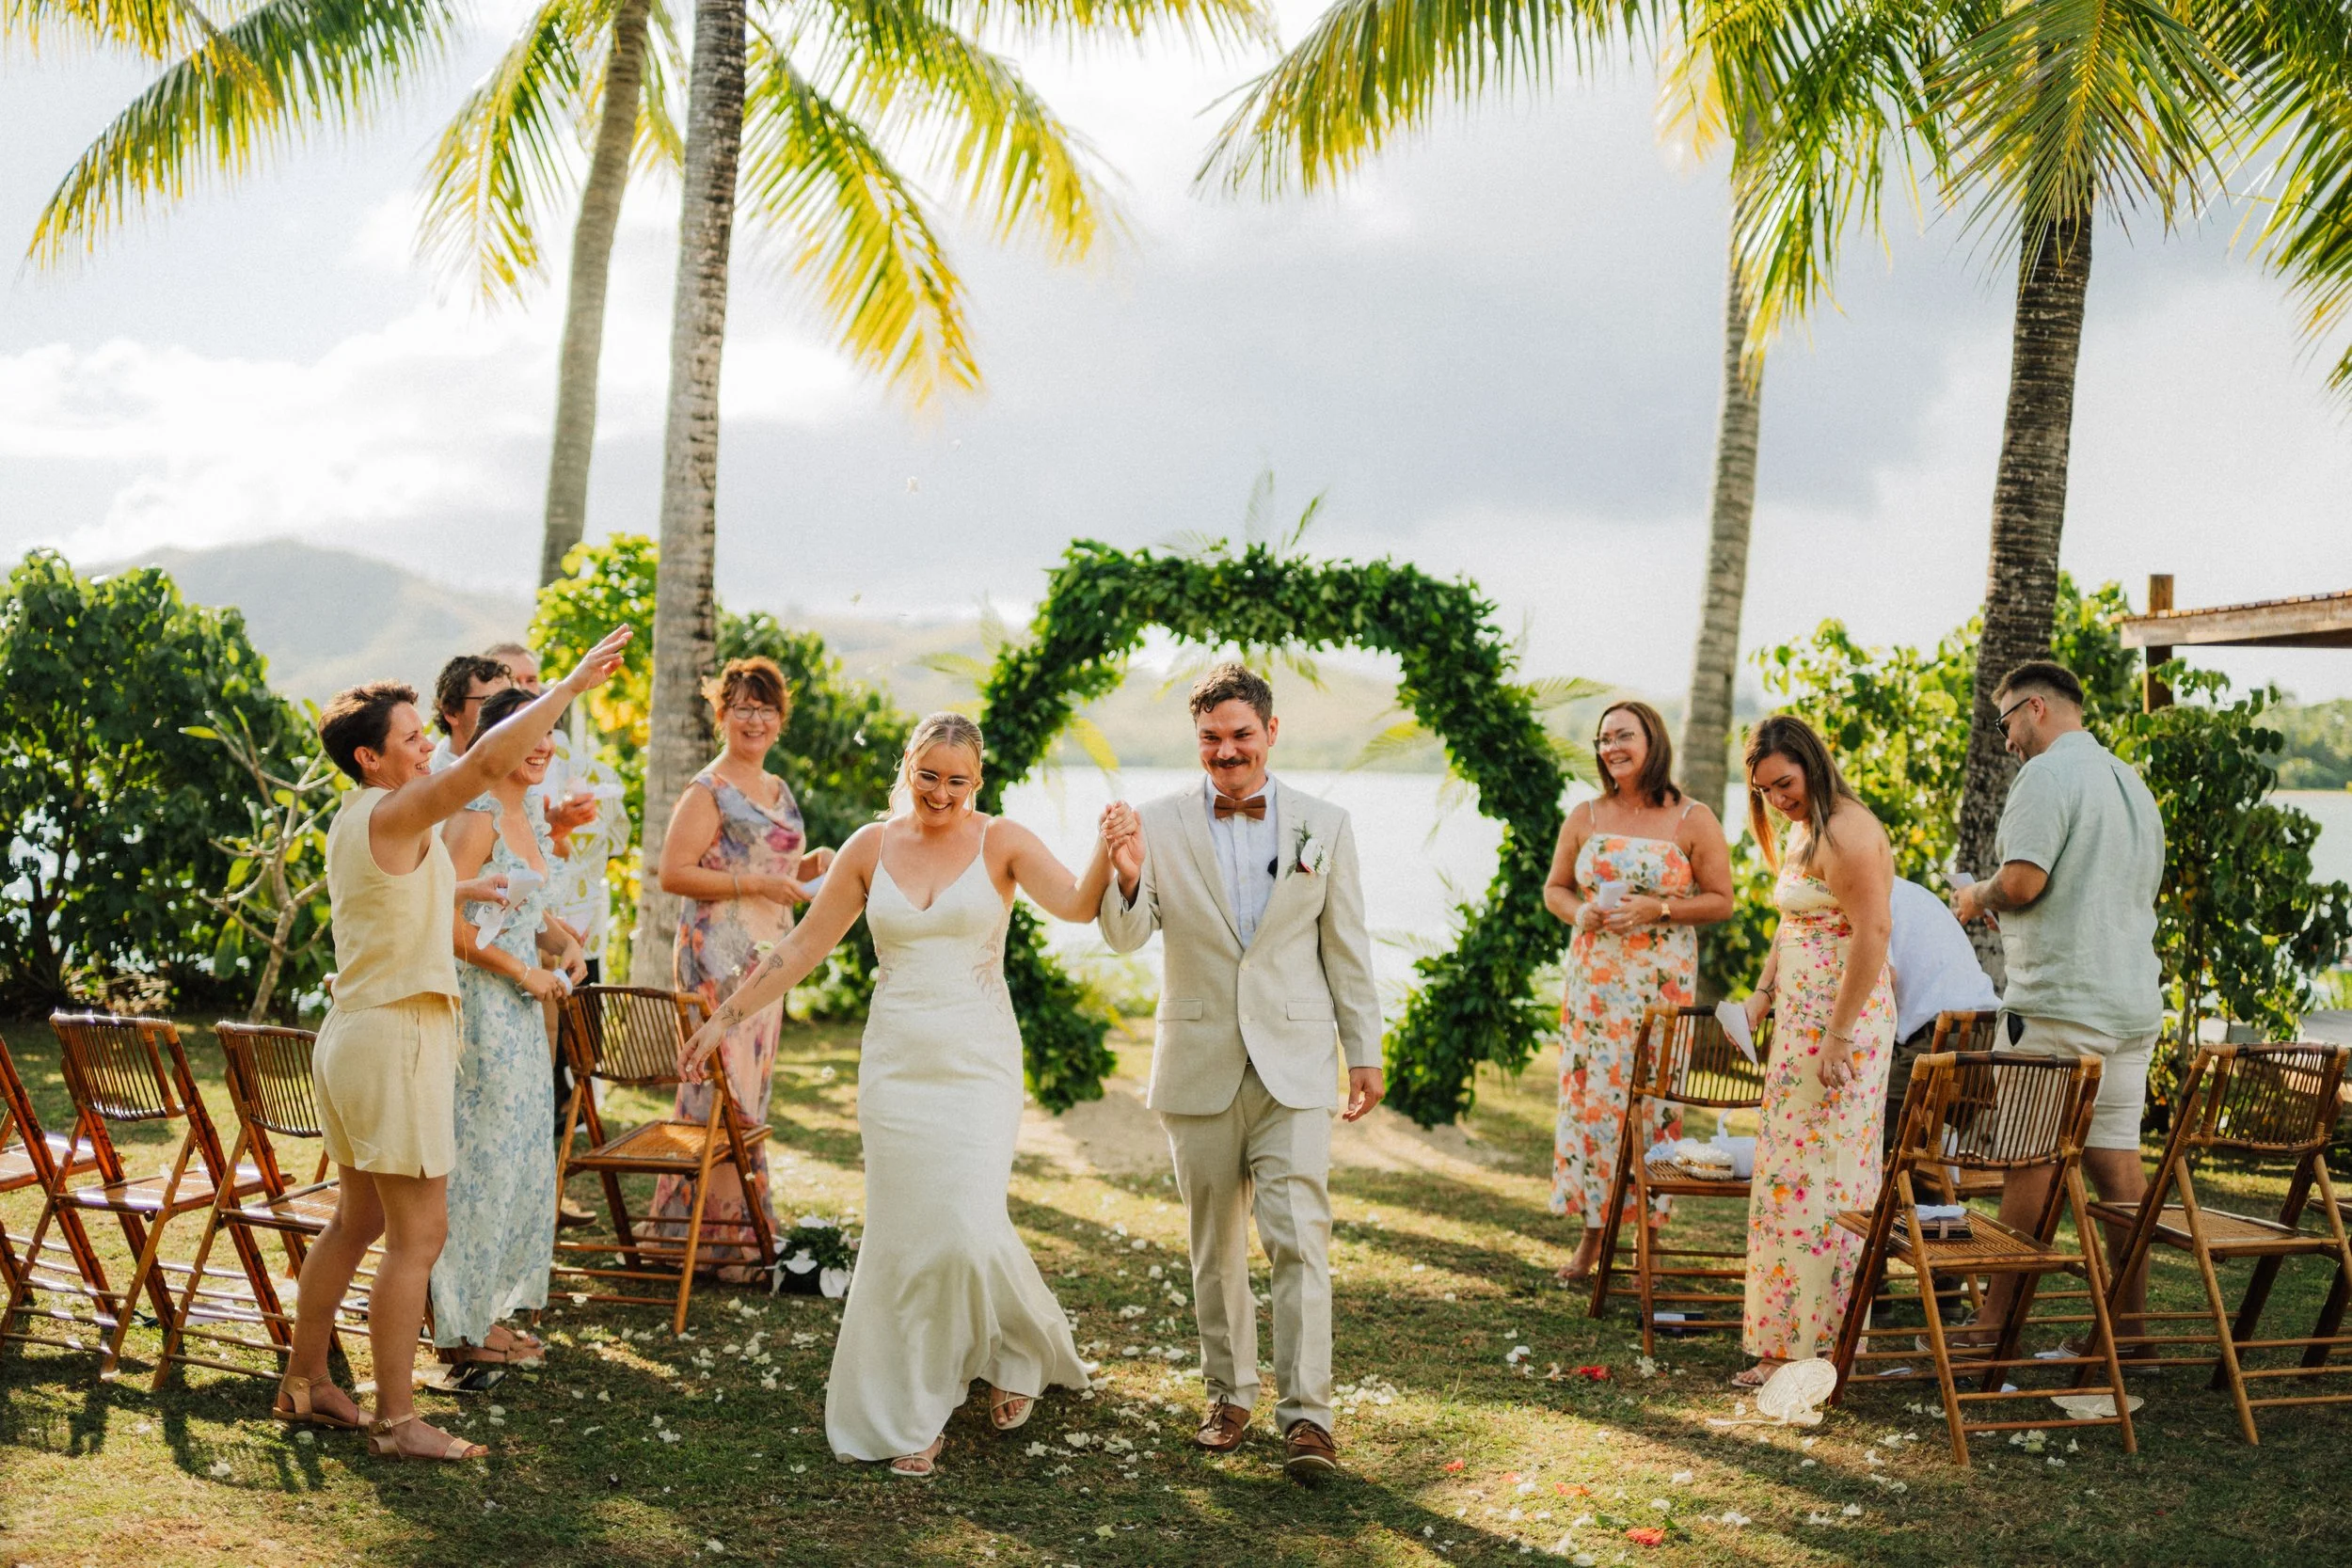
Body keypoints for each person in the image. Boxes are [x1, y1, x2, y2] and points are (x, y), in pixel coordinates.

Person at [679, 712, 1110, 1477]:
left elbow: (1077, 903)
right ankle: (918, 1400)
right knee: (912, 1232)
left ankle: (1015, 1350)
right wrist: (724, 1016)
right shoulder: (869, 848)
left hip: (978, 1065)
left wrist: (1109, 852)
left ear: (977, 782)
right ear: (907, 766)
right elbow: (802, 947)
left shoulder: (1002, 840)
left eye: (957, 780)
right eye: (928, 774)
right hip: (895, 1067)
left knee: (965, 1224)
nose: (941, 792)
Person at [273, 626, 630, 1462]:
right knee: (417, 1236)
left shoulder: (361, 818)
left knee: (358, 1218)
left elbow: (405, 893)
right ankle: (398, 1422)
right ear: (371, 757)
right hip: (397, 1039)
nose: (426, 742)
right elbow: (477, 769)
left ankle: (305, 1379)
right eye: (410, 735)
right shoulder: (401, 808)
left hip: (356, 1035)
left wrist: (466, 883)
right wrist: (569, 686)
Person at [1096, 663, 1384, 1484]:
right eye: (1211, 739)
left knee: (1301, 1240)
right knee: (1213, 1245)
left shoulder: (1325, 824)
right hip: (1198, 1062)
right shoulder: (1154, 821)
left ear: (1271, 732)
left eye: (1240, 735)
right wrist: (1123, 870)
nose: (1227, 752)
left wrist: (1363, 1049)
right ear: (1198, 742)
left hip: (1295, 1063)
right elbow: (1125, 935)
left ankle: (1309, 1419)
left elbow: (1348, 947)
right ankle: (1228, 1395)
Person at [1950, 658, 2164, 1346]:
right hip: (2129, 1006)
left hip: (2058, 1005)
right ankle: (2129, 1328)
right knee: (2117, 1165)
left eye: (2004, 719)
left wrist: (1975, 895)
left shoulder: (2045, 774)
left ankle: (1995, 1322)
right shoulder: (2129, 781)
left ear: (2035, 706)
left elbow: (2022, 880)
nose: (2004, 737)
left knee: (2028, 1158)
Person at [1541, 700, 1734, 1285]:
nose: (1611, 747)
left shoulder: (1693, 819)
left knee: (1651, 1109)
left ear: (1653, 739)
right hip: (1595, 991)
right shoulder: (1586, 815)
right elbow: (1555, 889)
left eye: (1623, 735)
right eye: (1603, 739)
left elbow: (1722, 900)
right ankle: (1590, 1240)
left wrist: (1661, 908)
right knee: (1594, 1109)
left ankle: (1646, 1244)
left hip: (1659, 991)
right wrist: (1581, 915)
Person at [652, 657, 833, 1277]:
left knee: (748, 1087)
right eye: (743, 707)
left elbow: (769, 867)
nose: (754, 719)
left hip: (767, 954)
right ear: (721, 714)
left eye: (766, 708)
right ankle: (700, 1240)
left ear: (780, 720)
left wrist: (805, 868)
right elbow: (673, 872)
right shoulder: (709, 789)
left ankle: (732, 1238)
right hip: (716, 956)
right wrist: (756, 881)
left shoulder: (776, 787)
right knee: (717, 1086)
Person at [1736, 714, 1897, 1388]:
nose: (1777, 799)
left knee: (1830, 1179)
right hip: (1799, 1023)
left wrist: (1836, 1035)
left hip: (1842, 1024)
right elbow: (1793, 921)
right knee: (1785, 1175)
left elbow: (1875, 931)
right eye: (1765, 790)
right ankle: (1783, 1339)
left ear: (1811, 763)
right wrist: (1762, 994)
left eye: (1784, 783)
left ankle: (1820, 1346)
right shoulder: (1803, 833)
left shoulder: (1848, 830)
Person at [430, 686, 586, 1379]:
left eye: (550, 732)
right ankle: (457, 1332)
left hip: (524, 1011)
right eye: (530, 733)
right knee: (480, 1164)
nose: (543, 745)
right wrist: (524, 972)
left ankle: (485, 1313)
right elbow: (447, 921)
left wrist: (563, 943)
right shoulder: (475, 818)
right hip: (484, 1010)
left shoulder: (530, 818)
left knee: (518, 1159)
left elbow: (522, 906)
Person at [1881, 877, 2002, 1151]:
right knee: (1915, 1147)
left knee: (1859, 1123)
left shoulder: (1871, 894)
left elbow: (1884, 980)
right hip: (1989, 1040)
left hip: (1944, 1039)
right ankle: (1932, 1192)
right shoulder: (1915, 893)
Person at [428, 655, 511, 769]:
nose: (508, 711)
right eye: (490, 702)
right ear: (451, 713)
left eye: (510, 699)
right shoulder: (442, 781)